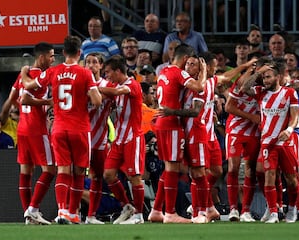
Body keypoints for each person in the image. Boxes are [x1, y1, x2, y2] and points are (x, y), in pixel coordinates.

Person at [21, 36, 102, 224]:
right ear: (79, 53)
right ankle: (73, 213)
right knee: (79, 171)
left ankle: (62, 211)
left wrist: (25, 72)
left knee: (63, 170)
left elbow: (29, 85)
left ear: (63, 53)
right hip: (79, 128)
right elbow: (97, 101)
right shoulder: (85, 73)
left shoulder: (53, 71)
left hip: (58, 128)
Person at [149, 43, 207, 224]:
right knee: (173, 169)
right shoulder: (178, 72)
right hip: (172, 124)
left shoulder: (163, 72)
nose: (188, 67)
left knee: (168, 168)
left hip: (161, 123)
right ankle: (171, 212)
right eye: (187, 63)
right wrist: (204, 71)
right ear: (184, 59)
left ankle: (157, 210)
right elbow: (199, 87)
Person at [241, 59, 299, 223]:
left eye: (268, 77)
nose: (266, 80)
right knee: (269, 175)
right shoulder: (260, 92)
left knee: (291, 180)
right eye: (264, 77)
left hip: (284, 142)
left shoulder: (289, 93)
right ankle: (273, 211)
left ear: (278, 77)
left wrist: (289, 130)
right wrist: (258, 72)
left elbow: (295, 116)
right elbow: (243, 88)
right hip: (267, 142)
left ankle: (293, 209)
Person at [10, 42, 56, 225]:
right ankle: (33, 209)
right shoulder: (41, 75)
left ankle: (28, 215)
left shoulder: (23, 75)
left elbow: (14, 98)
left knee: (26, 171)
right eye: (51, 56)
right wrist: (48, 103)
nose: (53, 59)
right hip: (37, 128)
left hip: (22, 127)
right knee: (50, 170)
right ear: (42, 57)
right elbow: (26, 99)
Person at [99, 55, 145, 224]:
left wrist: (94, 87)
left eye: (108, 72)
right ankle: (127, 206)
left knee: (134, 177)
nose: (107, 76)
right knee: (109, 174)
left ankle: (139, 215)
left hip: (133, 138)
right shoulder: (114, 85)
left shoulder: (131, 84)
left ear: (118, 71)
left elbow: (117, 92)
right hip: (119, 139)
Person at [224, 64, 261, 222]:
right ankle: (233, 209)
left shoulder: (264, 87)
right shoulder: (240, 84)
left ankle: (246, 210)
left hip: (253, 132)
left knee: (250, 171)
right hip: (235, 130)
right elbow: (228, 107)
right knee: (233, 169)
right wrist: (251, 117)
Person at [84, 52, 114, 224]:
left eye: (95, 62)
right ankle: (67, 212)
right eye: (88, 62)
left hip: (100, 138)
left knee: (98, 177)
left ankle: (91, 216)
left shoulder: (107, 85)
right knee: (75, 175)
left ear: (101, 66)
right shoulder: (80, 83)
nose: (91, 65)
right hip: (81, 136)